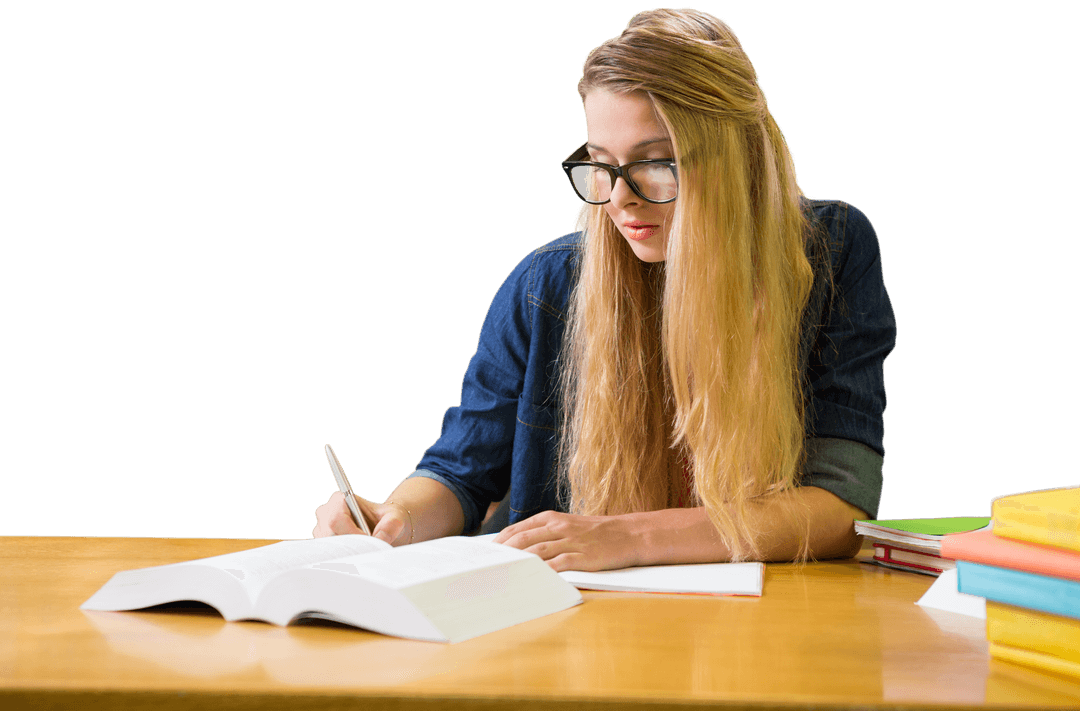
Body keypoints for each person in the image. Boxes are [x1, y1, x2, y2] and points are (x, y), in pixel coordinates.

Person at [313, 8, 896, 571]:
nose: (618, 198)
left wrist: (627, 536)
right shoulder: (548, 284)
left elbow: (840, 508)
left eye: (655, 162)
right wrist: (397, 522)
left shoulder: (830, 251)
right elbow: (462, 473)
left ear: (737, 158)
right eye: (600, 164)